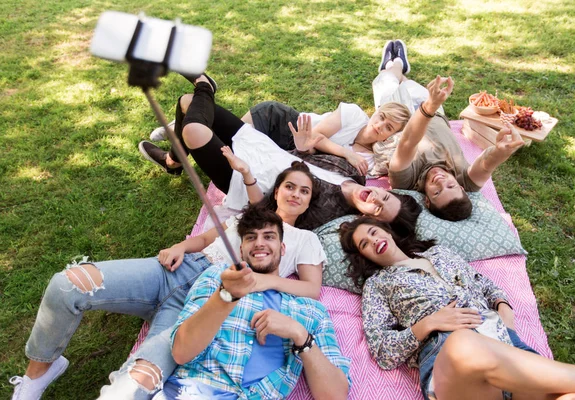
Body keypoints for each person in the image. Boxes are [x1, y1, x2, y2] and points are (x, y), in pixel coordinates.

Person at [9, 165, 326, 400]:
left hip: (207, 300)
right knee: (68, 285)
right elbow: (203, 238)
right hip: (178, 269)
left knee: (135, 384)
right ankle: (39, 374)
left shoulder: (304, 239)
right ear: (278, 189)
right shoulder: (250, 217)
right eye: (290, 186)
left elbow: (311, 288)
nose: (296, 194)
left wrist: (259, 280)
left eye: (304, 191)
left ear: (310, 202)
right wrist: (180, 246)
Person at [339, 216, 575, 400]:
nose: (373, 241)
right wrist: (428, 323)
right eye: (364, 244)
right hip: (452, 361)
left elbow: (483, 283)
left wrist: (503, 309)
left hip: (505, 346)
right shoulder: (378, 285)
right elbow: (383, 350)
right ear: (365, 257)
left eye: (373, 232)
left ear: (386, 230)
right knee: (462, 343)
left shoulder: (440, 253)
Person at [138, 74, 422, 233]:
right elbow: (306, 156)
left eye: (378, 208)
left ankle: (206, 87)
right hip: (266, 149)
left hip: (245, 177)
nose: (376, 197)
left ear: (372, 219)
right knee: (188, 103)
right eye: (384, 197)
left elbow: (271, 214)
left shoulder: (328, 213)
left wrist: (247, 176)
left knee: (195, 130)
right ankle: (175, 159)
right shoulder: (354, 173)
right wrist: (300, 146)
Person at [153, 205, 350, 399]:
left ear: (282, 248)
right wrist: (227, 296)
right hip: (193, 391)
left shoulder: (311, 311)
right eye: (250, 237)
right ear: (241, 250)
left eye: (269, 236)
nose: (259, 243)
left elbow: (335, 395)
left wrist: (299, 334)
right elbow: (181, 352)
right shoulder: (218, 277)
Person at [384, 46, 525, 222]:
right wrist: (500, 151)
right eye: (450, 185)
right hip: (435, 111)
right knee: (408, 84)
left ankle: (393, 64)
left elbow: (408, 142)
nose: (440, 180)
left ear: (426, 201)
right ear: (461, 188)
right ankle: (400, 70)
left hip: (397, 116)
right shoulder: (465, 180)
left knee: (387, 79)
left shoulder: (405, 182)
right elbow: (486, 165)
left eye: (437, 192)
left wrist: (430, 106)